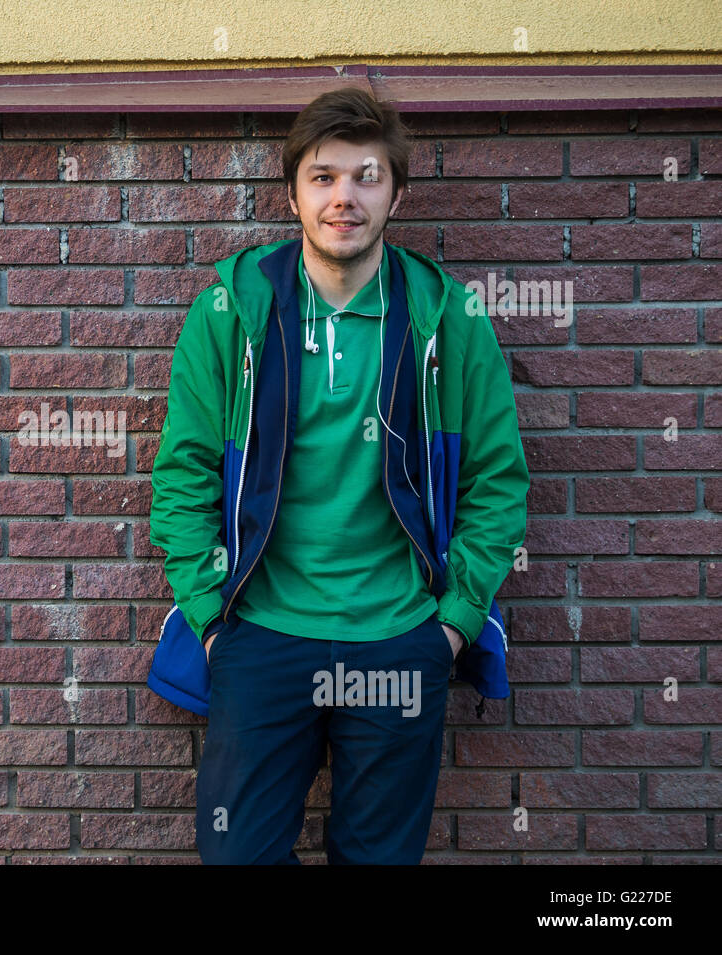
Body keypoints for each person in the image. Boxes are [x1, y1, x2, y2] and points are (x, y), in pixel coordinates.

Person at [147, 87, 530, 863]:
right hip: (260, 635)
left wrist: (450, 627)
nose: (343, 198)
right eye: (323, 177)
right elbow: (182, 473)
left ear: (398, 194)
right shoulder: (233, 311)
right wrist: (213, 622)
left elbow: (498, 481)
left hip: (399, 640)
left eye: (366, 177)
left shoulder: (449, 320)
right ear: (292, 191)